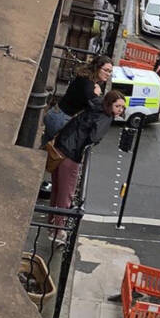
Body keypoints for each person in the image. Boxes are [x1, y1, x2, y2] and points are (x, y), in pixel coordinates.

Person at [48, 90, 125, 243]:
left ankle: (51, 221)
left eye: (122, 107)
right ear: (109, 105)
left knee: (57, 188)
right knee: (66, 194)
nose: (120, 110)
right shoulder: (106, 118)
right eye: (118, 106)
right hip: (72, 154)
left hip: (60, 146)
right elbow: (94, 137)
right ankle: (57, 231)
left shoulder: (95, 104)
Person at [42, 56, 114, 146]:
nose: (108, 74)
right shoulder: (88, 85)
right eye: (105, 70)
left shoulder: (85, 79)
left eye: (110, 71)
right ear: (97, 68)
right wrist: (96, 94)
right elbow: (96, 106)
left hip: (56, 114)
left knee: (47, 149)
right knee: (56, 153)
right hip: (61, 119)